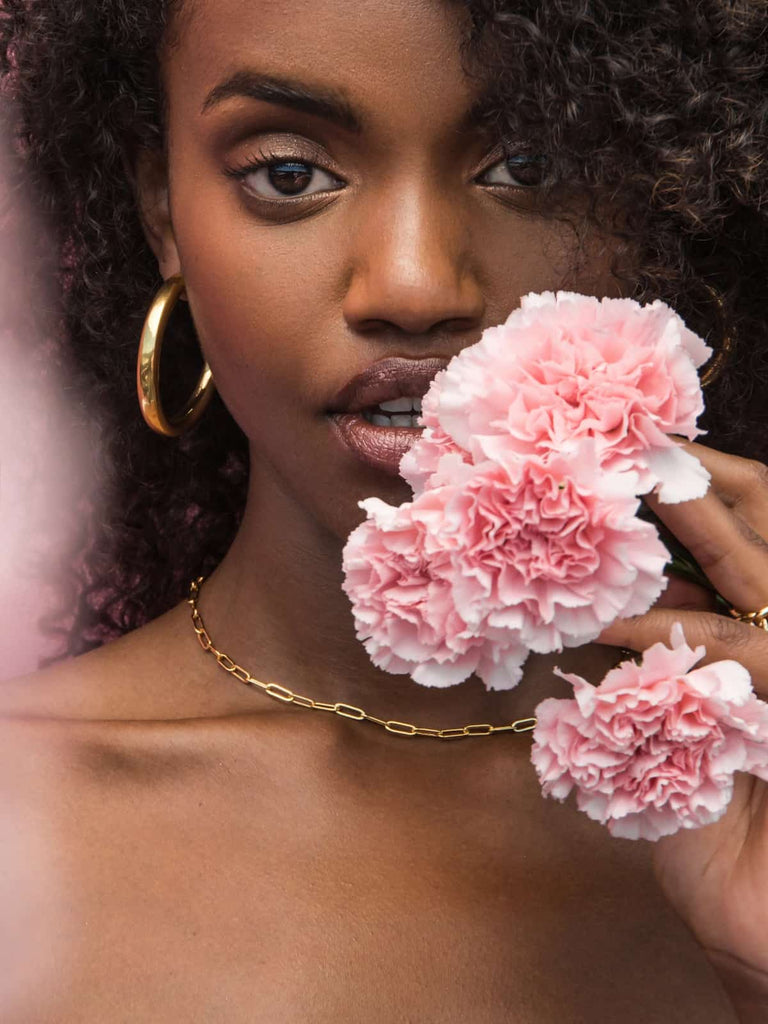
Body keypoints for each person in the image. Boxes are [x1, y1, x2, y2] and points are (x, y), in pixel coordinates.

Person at [0, 0, 766, 1019]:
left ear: (671, 188)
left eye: (531, 166)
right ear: (162, 211)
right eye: (289, 173)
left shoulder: (742, 804)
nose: (412, 285)